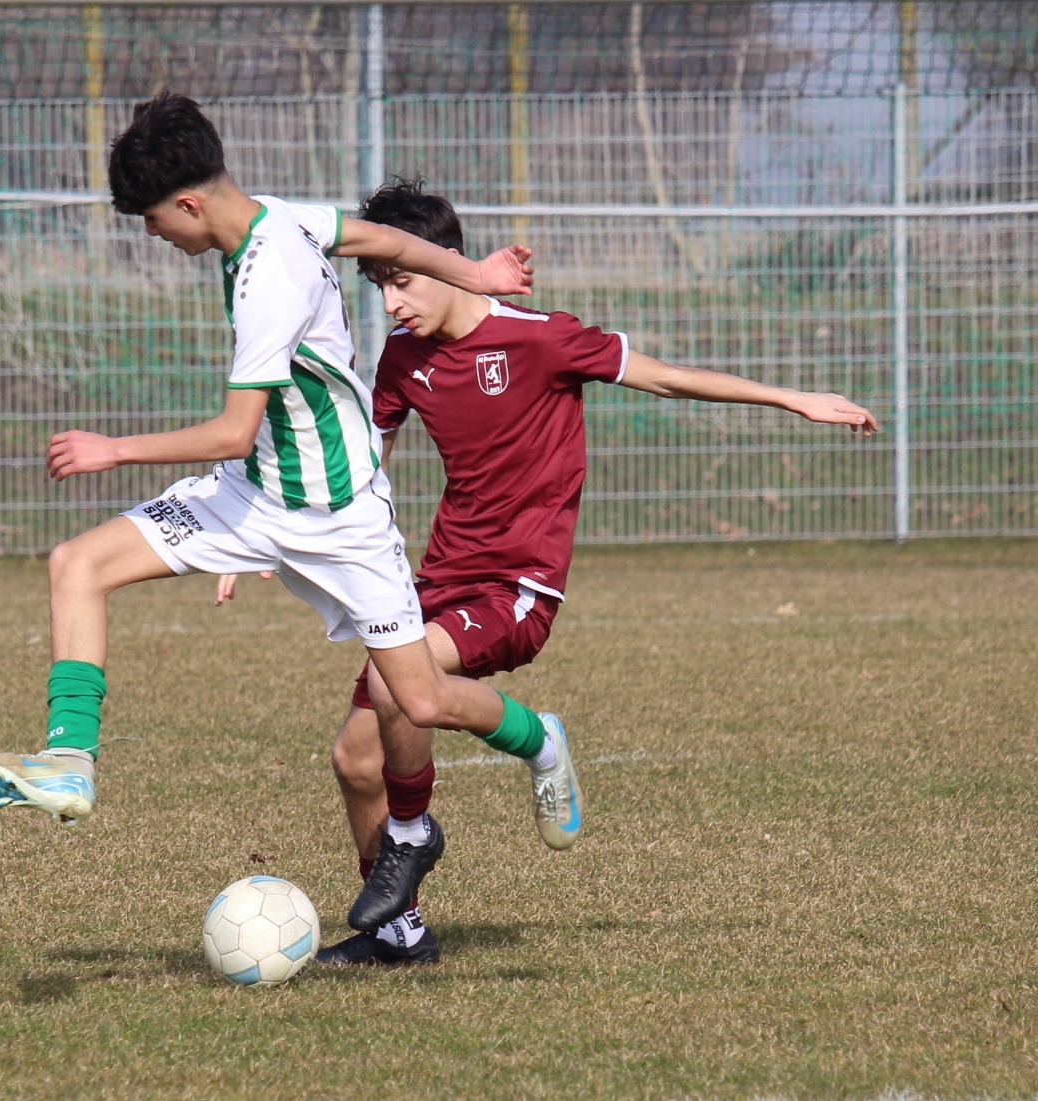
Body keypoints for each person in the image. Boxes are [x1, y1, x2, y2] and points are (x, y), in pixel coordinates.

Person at [218, 178, 880, 967]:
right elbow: (357, 460)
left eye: (401, 281)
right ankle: (399, 931)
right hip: (431, 581)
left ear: (447, 261)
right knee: (355, 758)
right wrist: (265, 533)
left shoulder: (538, 338)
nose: (391, 303)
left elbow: (666, 376)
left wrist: (795, 399)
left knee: (404, 689)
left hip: (516, 587)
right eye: (379, 286)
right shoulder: (404, 356)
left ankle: (534, 741)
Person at [0, 95, 556, 935]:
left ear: (189, 203)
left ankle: (538, 738)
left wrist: (112, 448)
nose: (153, 235)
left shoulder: (270, 278)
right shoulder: (278, 216)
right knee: (77, 563)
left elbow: (232, 429)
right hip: (251, 496)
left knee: (419, 702)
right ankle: (67, 759)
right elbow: (383, 241)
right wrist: (477, 275)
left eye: (153, 220)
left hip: (338, 516)